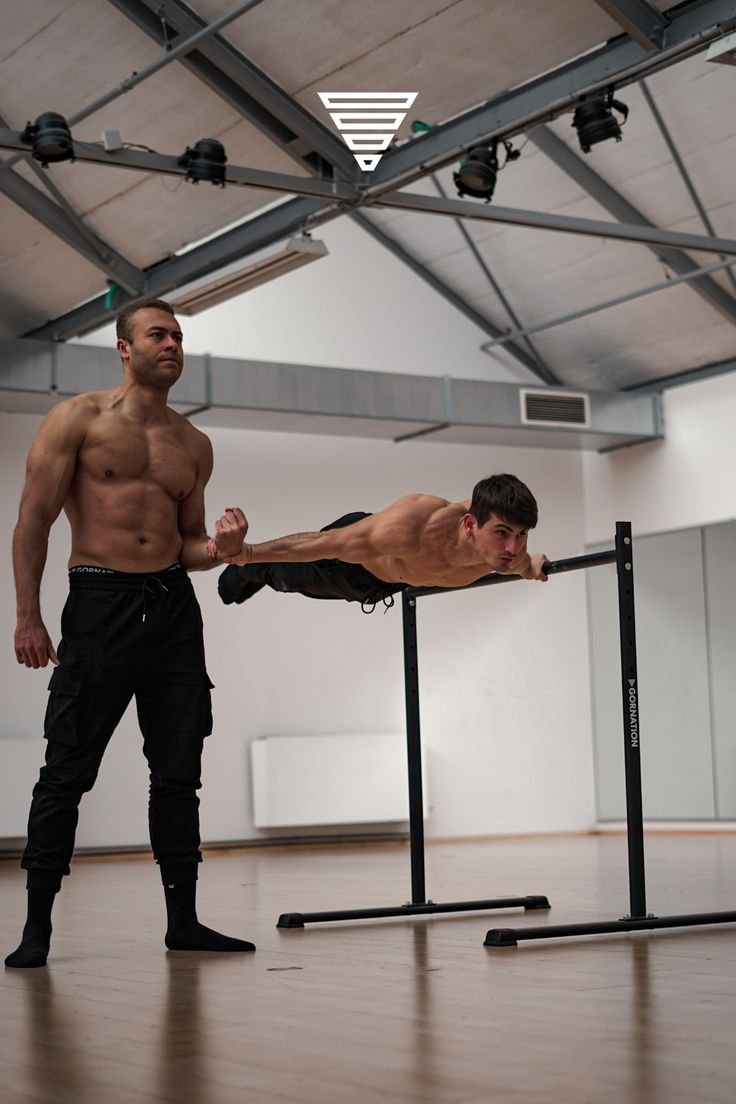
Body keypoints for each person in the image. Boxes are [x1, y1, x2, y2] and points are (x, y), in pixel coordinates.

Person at [6, 298, 254, 969]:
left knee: (178, 773)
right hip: (100, 604)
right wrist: (27, 614)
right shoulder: (77, 419)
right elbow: (32, 522)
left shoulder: (192, 443)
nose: (172, 344)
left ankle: (185, 922)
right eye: (157, 334)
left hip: (172, 611)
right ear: (124, 347)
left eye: (178, 336)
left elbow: (189, 549)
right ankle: (36, 929)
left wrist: (225, 547)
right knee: (67, 771)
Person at [217, 473, 547, 613]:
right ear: (470, 524)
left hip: (384, 584)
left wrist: (533, 566)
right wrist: (245, 552)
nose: (512, 547)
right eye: (503, 533)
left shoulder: (506, 556)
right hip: (347, 565)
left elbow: (524, 564)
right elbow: (327, 543)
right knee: (277, 575)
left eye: (521, 535)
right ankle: (239, 575)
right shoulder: (415, 528)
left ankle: (249, 570)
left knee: (278, 575)